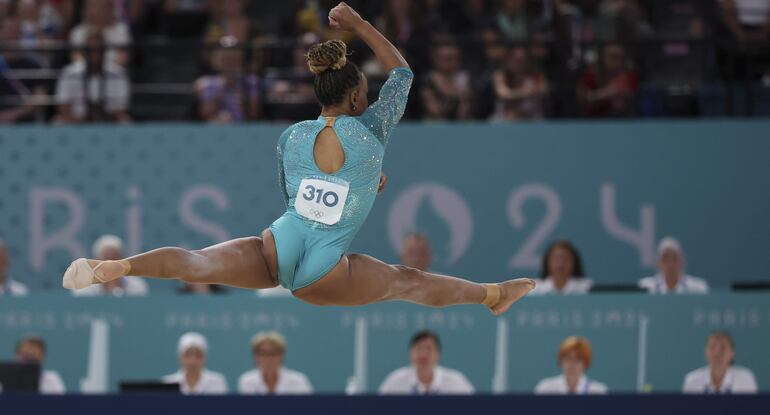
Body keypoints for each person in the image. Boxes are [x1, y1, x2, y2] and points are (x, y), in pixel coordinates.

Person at [62, 2, 535, 317]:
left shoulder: (291, 136)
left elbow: (303, 198)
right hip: (323, 270)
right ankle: (492, 296)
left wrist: (367, 183)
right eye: (365, 95)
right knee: (405, 282)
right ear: (354, 97)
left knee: (197, 262)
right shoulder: (372, 129)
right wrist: (360, 25)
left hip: (279, 243)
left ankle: (118, 266)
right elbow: (404, 73)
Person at [54, 32, 131, 124]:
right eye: (90, 50)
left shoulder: (118, 73)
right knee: (58, 122)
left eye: (99, 50)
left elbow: (122, 108)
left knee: (125, 121)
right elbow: (63, 106)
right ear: (84, 52)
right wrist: (83, 119)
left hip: (109, 119)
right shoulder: (69, 72)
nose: (95, 54)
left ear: (104, 51)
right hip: (76, 121)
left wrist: (100, 115)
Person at [379, 330, 474, 394]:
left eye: (429, 349)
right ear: (410, 353)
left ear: (438, 354)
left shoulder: (456, 382)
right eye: (419, 349)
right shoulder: (395, 382)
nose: (423, 354)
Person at [194, 37, 261, 123]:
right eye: (226, 59)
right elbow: (206, 113)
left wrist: (241, 92)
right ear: (217, 61)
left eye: (234, 59)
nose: (230, 63)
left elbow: (254, 114)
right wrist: (223, 86)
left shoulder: (251, 82)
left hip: (245, 129)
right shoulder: (207, 83)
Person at [238, 331, 312, 394]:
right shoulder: (247, 381)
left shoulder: (298, 381)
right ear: (255, 356)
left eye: (273, 353)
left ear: (281, 355)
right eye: (263, 353)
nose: (268, 358)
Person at [683, 331, 758, 394]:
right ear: (706, 352)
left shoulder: (745, 379)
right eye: (712, 347)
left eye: (723, 347)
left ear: (732, 353)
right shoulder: (692, 381)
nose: (717, 353)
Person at [71, 235, 147, 296]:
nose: (110, 265)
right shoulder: (82, 287)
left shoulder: (137, 286)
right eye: (105, 260)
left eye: (115, 259)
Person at [491, 46, 549, 121]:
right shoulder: (500, 75)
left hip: (532, 119)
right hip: (504, 120)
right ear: (507, 60)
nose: (519, 64)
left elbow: (543, 91)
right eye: (516, 60)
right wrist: (526, 91)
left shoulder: (536, 75)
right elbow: (503, 94)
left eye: (523, 60)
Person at [420, 41, 474, 121]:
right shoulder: (428, 80)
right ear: (436, 59)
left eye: (453, 58)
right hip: (435, 123)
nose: (449, 63)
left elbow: (465, 110)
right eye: (446, 59)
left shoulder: (465, 79)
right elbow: (434, 110)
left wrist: (464, 101)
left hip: (461, 123)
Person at [535, 336, 608, 394]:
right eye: (568, 359)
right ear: (561, 361)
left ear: (585, 363)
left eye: (577, 360)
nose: (572, 364)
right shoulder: (545, 389)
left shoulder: (598, 391)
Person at [69, 0, 132, 67]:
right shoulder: (78, 31)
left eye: (102, 6)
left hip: (114, 74)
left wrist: (105, 71)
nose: (96, 10)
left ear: (110, 8)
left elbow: (124, 57)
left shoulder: (121, 30)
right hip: (83, 74)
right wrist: (92, 70)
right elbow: (76, 56)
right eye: (91, 6)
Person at [163, 332, 228, 394]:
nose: (193, 361)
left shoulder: (217, 382)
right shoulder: (168, 383)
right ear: (180, 357)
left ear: (204, 358)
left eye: (198, 355)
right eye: (188, 355)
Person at [639, 237, 709, 294]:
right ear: (658, 263)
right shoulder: (645, 287)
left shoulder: (698, 288)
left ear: (682, 261)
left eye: (674, 258)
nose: (670, 263)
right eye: (665, 258)